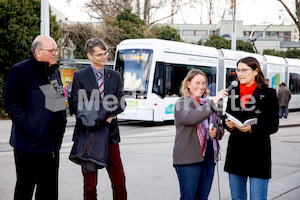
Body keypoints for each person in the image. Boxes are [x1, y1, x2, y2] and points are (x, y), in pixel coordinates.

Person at [4, 35, 67, 200]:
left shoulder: (53, 72)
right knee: (25, 189)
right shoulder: (20, 71)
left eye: (56, 50)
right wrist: (30, 127)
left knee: (48, 191)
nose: (55, 53)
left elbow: (57, 106)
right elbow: (11, 103)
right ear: (38, 52)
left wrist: (59, 129)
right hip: (28, 145)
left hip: (51, 146)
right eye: (51, 50)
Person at [69, 38, 127, 200]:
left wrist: (101, 111)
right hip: (89, 136)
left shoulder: (114, 76)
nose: (104, 57)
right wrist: (106, 115)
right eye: (100, 54)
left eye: (105, 53)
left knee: (119, 182)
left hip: (110, 136)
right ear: (90, 56)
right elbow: (75, 105)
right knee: (89, 187)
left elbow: (121, 102)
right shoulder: (80, 76)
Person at [223, 57, 279, 200]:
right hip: (236, 152)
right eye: (238, 70)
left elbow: (273, 125)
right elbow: (227, 116)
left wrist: (251, 129)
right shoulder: (233, 92)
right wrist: (227, 124)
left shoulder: (269, 93)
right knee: (237, 197)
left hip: (258, 153)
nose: (240, 74)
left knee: (258, 197)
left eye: (244, 70)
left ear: (255, 71)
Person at [173, 68, 228, 200]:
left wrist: (217, 132)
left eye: (204, 83)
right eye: (197, 83)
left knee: (202, 198)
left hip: (208, 158)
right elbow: (191, 117)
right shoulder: (182, 102)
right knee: (189, 197)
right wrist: (213, 102)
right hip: (188, 160)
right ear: (188, 84)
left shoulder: (210, 104)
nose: (201, 87)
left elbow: (220, 126)